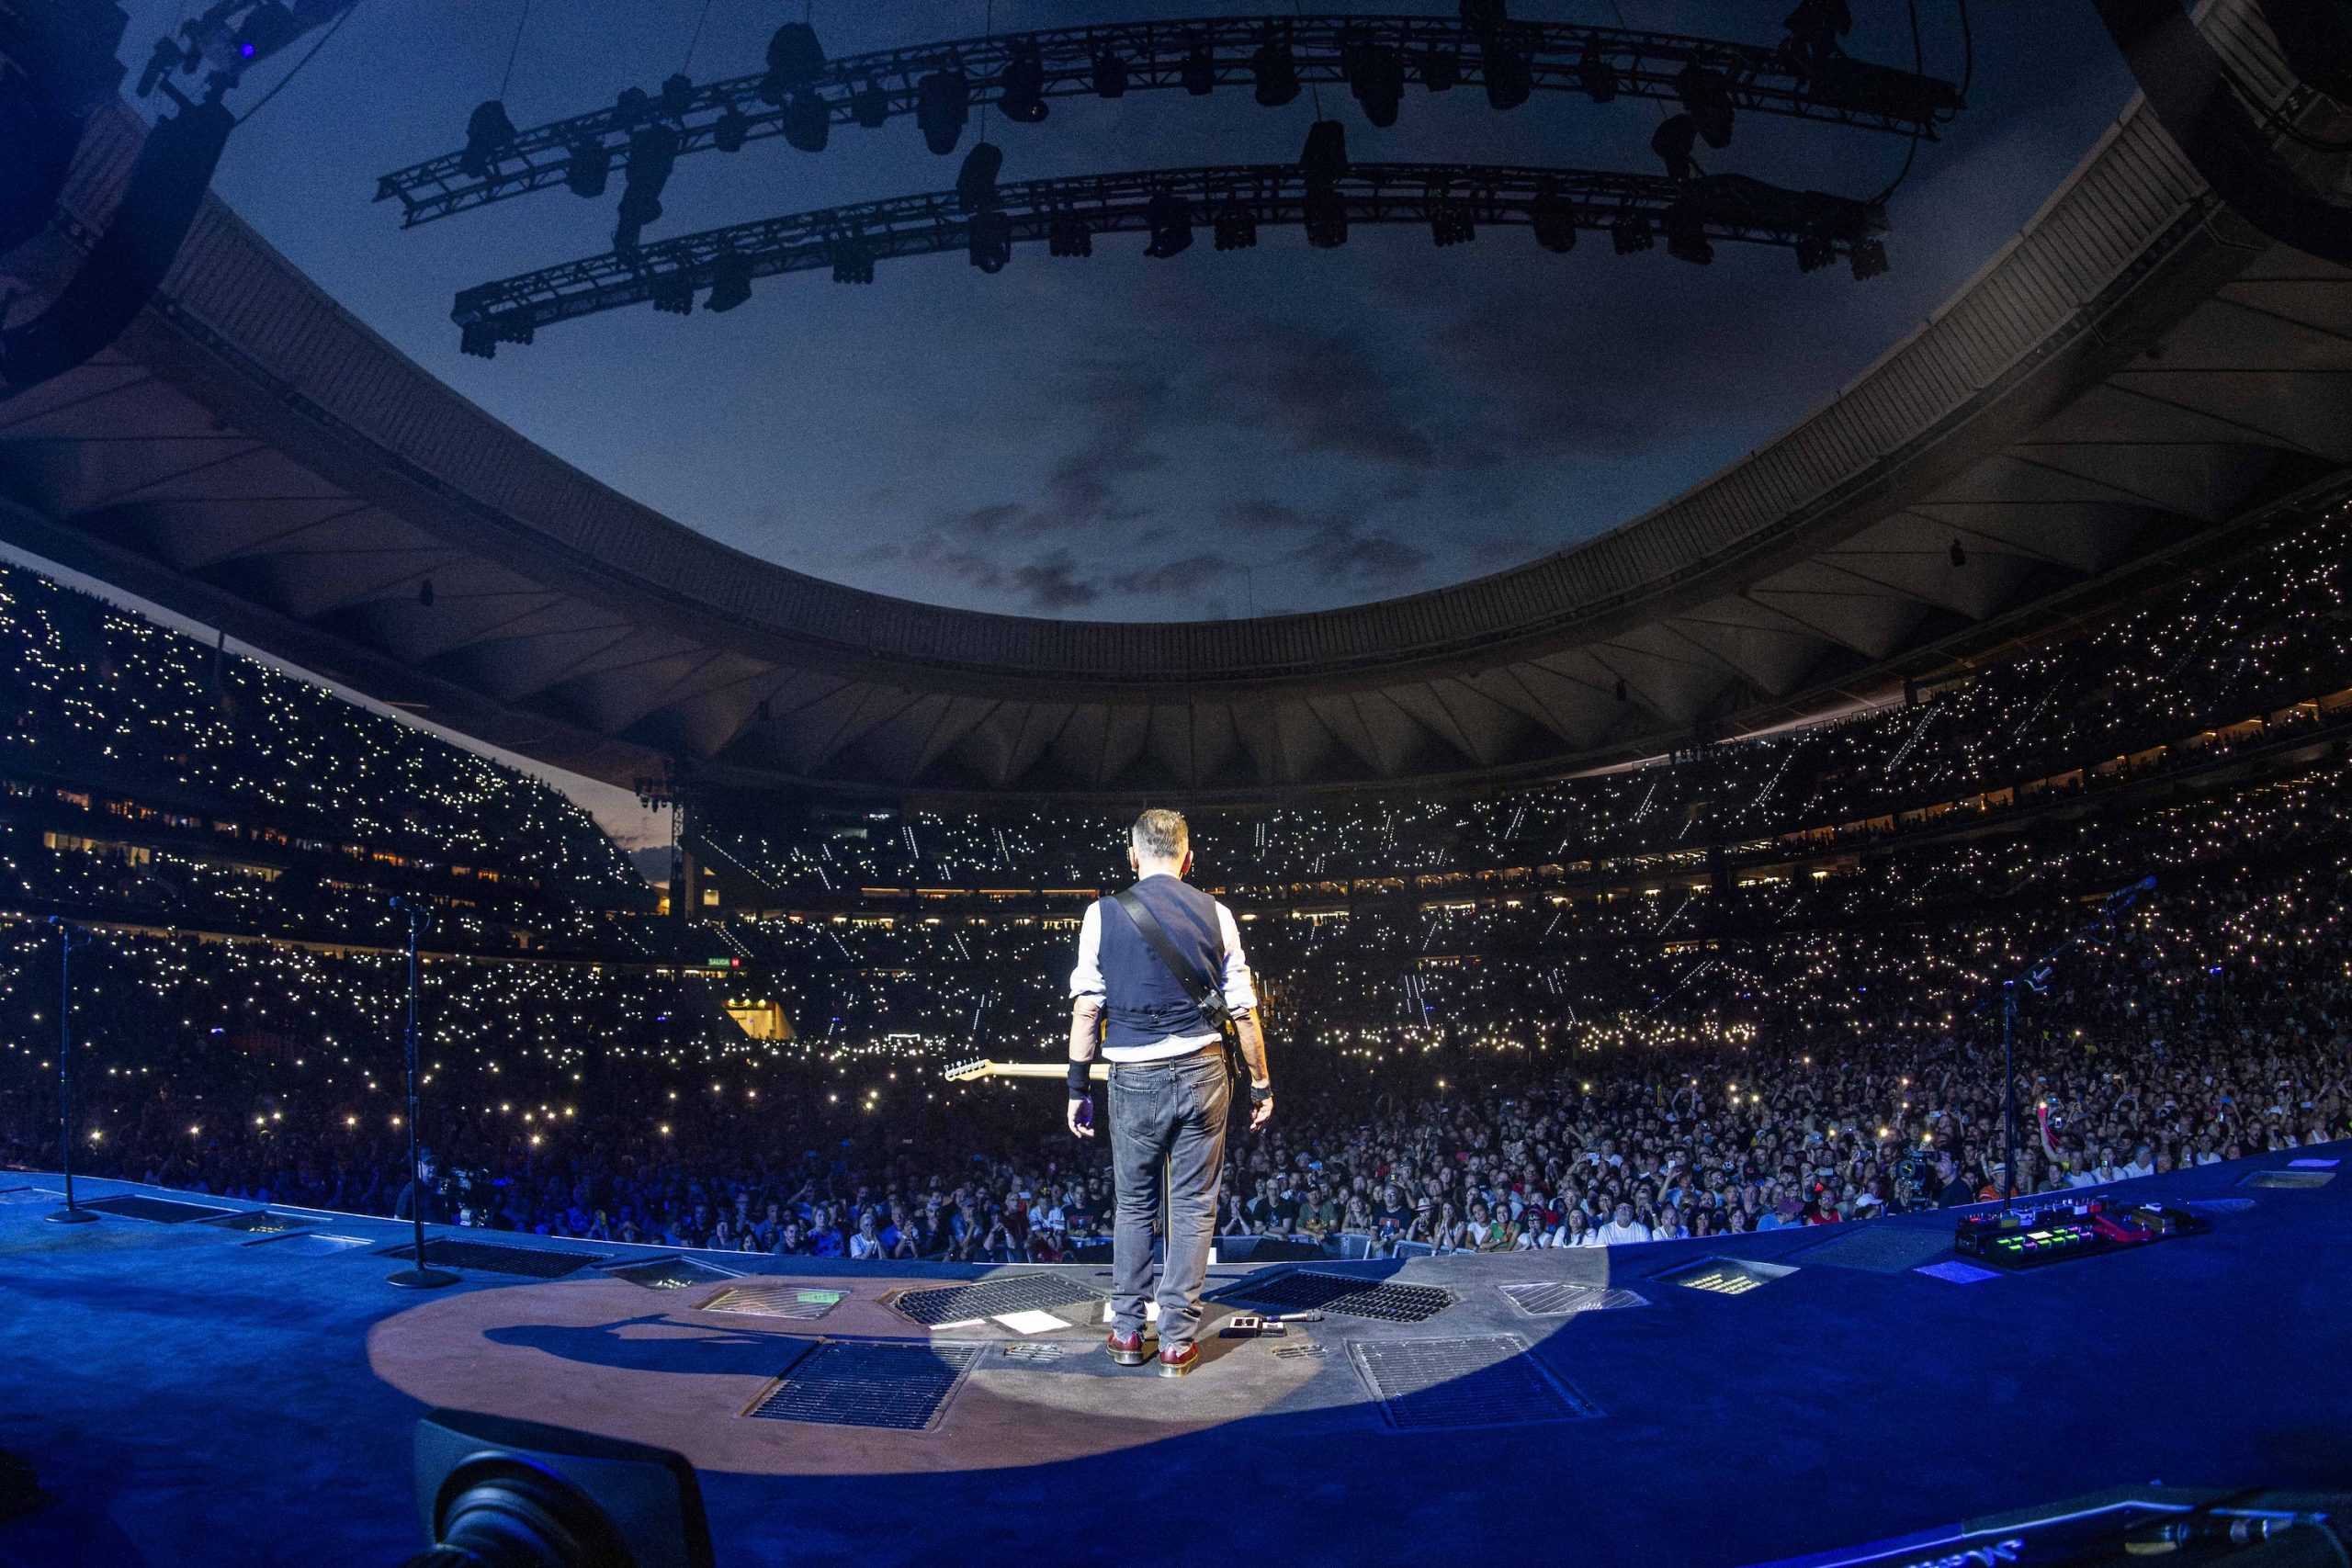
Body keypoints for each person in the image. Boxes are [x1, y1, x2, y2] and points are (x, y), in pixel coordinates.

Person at [1067, 808, 1272, 1378]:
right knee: (1191, 1205)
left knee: (1133, 1204)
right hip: (1204, 1070)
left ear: (1132, 856)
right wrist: (1261, 1083)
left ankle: (1128, 1332)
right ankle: (1179, 1341)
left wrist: (1077, 1087)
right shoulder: (1218, 913)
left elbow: (1088, 1007)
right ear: (1188, 858)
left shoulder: (1100, 914)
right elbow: (1244, 1011)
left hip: (1132, 1078)